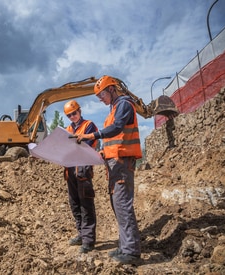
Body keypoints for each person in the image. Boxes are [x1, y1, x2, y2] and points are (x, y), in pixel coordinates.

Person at [76, 75, 142, 264]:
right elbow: (114, 139)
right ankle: (124, 246)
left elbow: (117, 128)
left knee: (122, 204)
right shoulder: (114, 109)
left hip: (122, 163)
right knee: (117, 205)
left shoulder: (124, 104)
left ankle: (131, 251)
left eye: (102, 94)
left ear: (112, 89)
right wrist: (102, 153)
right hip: (114, 164)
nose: (100, 98)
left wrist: (93, 134)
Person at [63, 100, 98, 254]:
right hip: (70, 170)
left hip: (82, 170)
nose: (72, 116)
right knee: (75, 204)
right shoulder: (68, 129)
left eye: (74, 113)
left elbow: (87, 146)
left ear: (79, 111)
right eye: (69, 115)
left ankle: (89, 240)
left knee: (86, 205)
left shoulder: (89, 125)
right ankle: (81, 234)